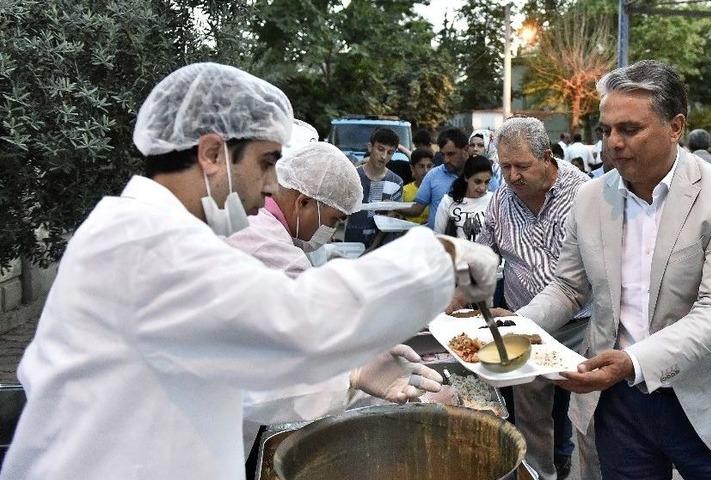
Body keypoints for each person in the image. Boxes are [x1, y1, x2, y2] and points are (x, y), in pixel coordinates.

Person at [0, 63, 500, 480]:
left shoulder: (157, 234)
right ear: (213, 153)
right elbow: (296, 319)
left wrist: (349, 372)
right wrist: (439, 258)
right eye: (266, 162)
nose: (270, 185)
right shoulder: (148, 244)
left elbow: (238, 367)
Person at [517, 60, 711, 479]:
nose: (613, 143)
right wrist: (516, 328)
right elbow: (568, 288)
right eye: (606, 130)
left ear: (676, 126)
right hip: (619, 400)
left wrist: (633, 361)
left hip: (707, 393)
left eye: (629, 130)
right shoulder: (590, 197)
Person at [225, 142, 444, 461]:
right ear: (303, 202)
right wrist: (355, 375)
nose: (331, 230)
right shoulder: (272, 251)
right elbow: (305, 349)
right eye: (334, 219)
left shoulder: (250, 219)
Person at [480, 117, 594, 480]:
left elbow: (593, 273)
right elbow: (484, 254)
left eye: (522, 166)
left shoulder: (584, 194)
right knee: (531, 415)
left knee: (591, 410)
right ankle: (539, 473)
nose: (513, 176)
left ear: (547, 158)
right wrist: (469, 289)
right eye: (506, 166)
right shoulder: (501, 200)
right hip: (523, 321)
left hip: (582, 325)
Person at [398, 127, 500, 226]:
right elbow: (417, 209)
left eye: (451, 154)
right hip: (439, 240)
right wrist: (391, 206)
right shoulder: (433, 175)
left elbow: (496, 212)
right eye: (443, 155)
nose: (446, 160)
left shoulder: (484, 176)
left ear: (465, 150)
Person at [344, 128, 404, 247]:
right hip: (353, 243)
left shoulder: (396, 182)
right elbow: (338, 210)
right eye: (380, 149)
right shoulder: (352, 177)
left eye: (390, 152)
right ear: (370, 147)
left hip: (383, 247)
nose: (383, 156)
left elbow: (394, 217)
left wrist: (393, 213)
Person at [433, 155, 494, 241]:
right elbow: (438, 236)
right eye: (478, 182)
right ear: (466, 177)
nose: (482, 188)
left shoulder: (493, 200)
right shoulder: (448, 201)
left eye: (487, 182)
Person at [402, 148, 434, 224]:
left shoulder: (438, 191)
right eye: (421, 166)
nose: (426, 171)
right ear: (412, 168)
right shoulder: (404, 191)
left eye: (429, 166)